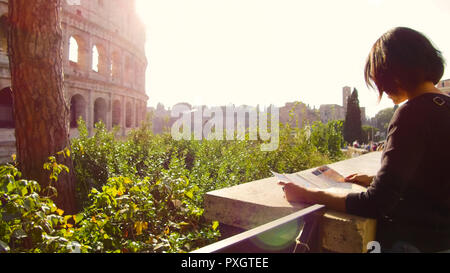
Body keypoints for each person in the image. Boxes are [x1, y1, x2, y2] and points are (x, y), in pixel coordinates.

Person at [279, 27, 450, 252]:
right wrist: (376, 179)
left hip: (417, 243)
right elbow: (433, 179)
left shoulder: (412, 113)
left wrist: (308, 194)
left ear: (392, 72)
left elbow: (374, 204)